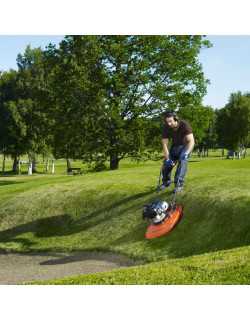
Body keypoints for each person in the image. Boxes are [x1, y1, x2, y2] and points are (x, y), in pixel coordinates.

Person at [160, 110, 195, 193]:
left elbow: (191, 141)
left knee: (182, 162)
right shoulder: (166, 127)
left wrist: (186, 153)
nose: (169, 124)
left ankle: (179, 185)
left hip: (186, 146)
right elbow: (164, 144)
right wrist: (168, 158)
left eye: (170, 121)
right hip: (175, 147)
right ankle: (166, 182)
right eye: (167, 122)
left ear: (175, 119)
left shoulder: (184, 125)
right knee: (166, 164)